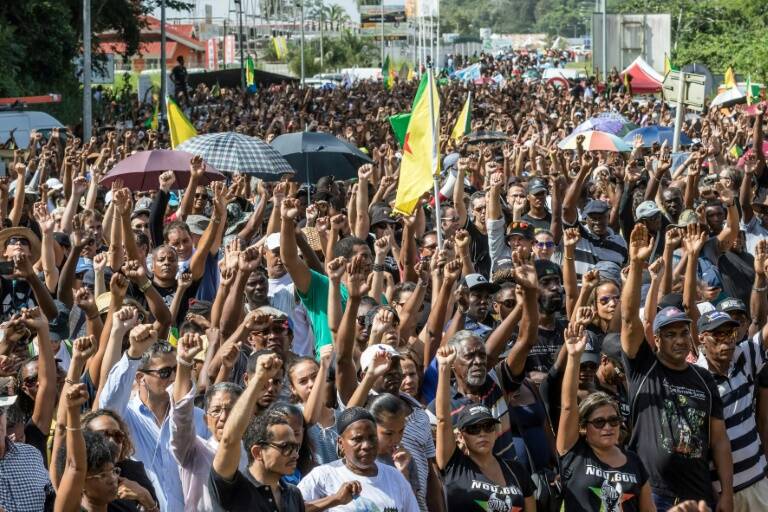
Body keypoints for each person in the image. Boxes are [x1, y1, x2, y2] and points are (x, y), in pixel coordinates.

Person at [621, 224, 734, 511]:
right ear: (656, 339)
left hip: (698, 495)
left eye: (684, 332)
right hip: (652, 494)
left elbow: (719, 441)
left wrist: (727, 492)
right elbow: (628, 321)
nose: (680, 340)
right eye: (670, 334)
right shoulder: (642, 367)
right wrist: (636, 265)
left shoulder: (704, 378)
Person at [556, 322, 653, 511]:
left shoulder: (634, 462)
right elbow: (568, 406)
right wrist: (574, 357)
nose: (608, 427)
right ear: (583, 426)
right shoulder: (573, 454)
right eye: (599, 422)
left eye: (613, 420)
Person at [435, 345, 536, 512]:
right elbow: (443, 420)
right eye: (474, 429)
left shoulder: (516, 470)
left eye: (488, 427)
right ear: (460, 436)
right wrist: (444, 368)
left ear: (496, 432)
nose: (482, 433)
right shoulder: (454, 465)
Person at [209, 351, 306, 511]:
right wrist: (259, 379)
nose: (295, 455)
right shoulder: (233, 489)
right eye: (286, 447)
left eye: (295, 447)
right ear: (258, 452)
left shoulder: (293, 494)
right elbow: (229, 440)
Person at [695, 307, 768, 510]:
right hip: (724, 494)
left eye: (730, 333)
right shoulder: (697, 380)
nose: (727, 340)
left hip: (759, 481)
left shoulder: (743, 357)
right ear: (702, 338)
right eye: (718, 334)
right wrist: (718, 495)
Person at [298, 406, 420, 512]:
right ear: (341, 443)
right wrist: (335, 499)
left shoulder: (395, 477)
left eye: (372, 437)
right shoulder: (323, 476)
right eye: (357, 439)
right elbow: (290, 508)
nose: (366, 445)